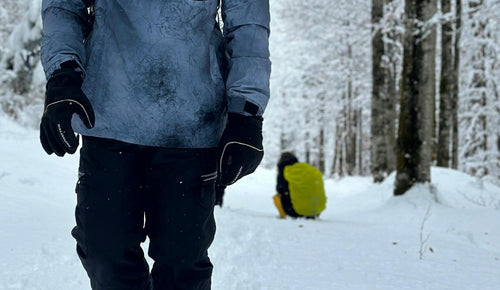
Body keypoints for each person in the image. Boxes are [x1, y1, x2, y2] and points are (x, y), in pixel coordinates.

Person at [39, 0, 270, 289]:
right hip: (110, 118)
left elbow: (248, 25)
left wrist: (246, 113)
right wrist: (63, 76)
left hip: (192, 126)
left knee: (182, 264)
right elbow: (63, 8)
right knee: (105, 254)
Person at [273, 152, 327, 219]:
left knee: (277, 196)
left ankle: (285, 216)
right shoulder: (306, 168)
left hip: (295, 212)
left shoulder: (285, 171)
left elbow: (279, 189)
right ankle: (309, 211)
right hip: (316, 211)